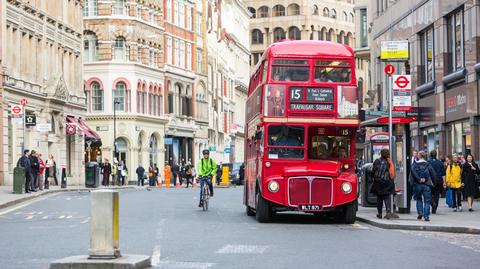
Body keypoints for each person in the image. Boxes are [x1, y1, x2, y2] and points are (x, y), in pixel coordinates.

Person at [409, 151, 436, 221]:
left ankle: (420, 213)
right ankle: (426, 216)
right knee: (427, 201)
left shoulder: (415, 164)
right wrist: (434, 183)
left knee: (419, 199)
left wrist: (418, 179)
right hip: (427, 185)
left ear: (419, 156)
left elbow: (412, 172)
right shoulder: (428, 164)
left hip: (417, 185)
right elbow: (433, 174)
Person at [371, 148, 396, 219]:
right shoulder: (389, 162)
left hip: (378, 182)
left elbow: (373, 171)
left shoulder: (377, 161)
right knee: (387, 197)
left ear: (381, 153)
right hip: (387, 182)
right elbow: (392, 172)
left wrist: (374, 177)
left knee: (379, 198)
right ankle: (388, 211)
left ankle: (380, 213)